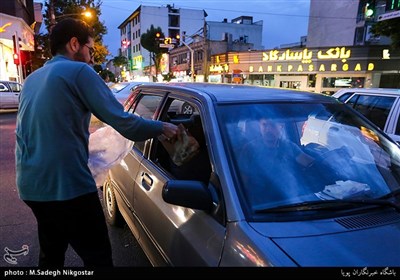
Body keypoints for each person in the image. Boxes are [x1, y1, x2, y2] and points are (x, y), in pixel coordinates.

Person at [15, 18, 178, 268]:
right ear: (74, 44)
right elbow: (125, 123)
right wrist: (162, 127)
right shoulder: (78, 71)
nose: (92, 58)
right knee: (98, 256)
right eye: (90, 50)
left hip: (31, 186)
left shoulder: (33, 79)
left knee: (51, 253)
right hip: (67, 187)